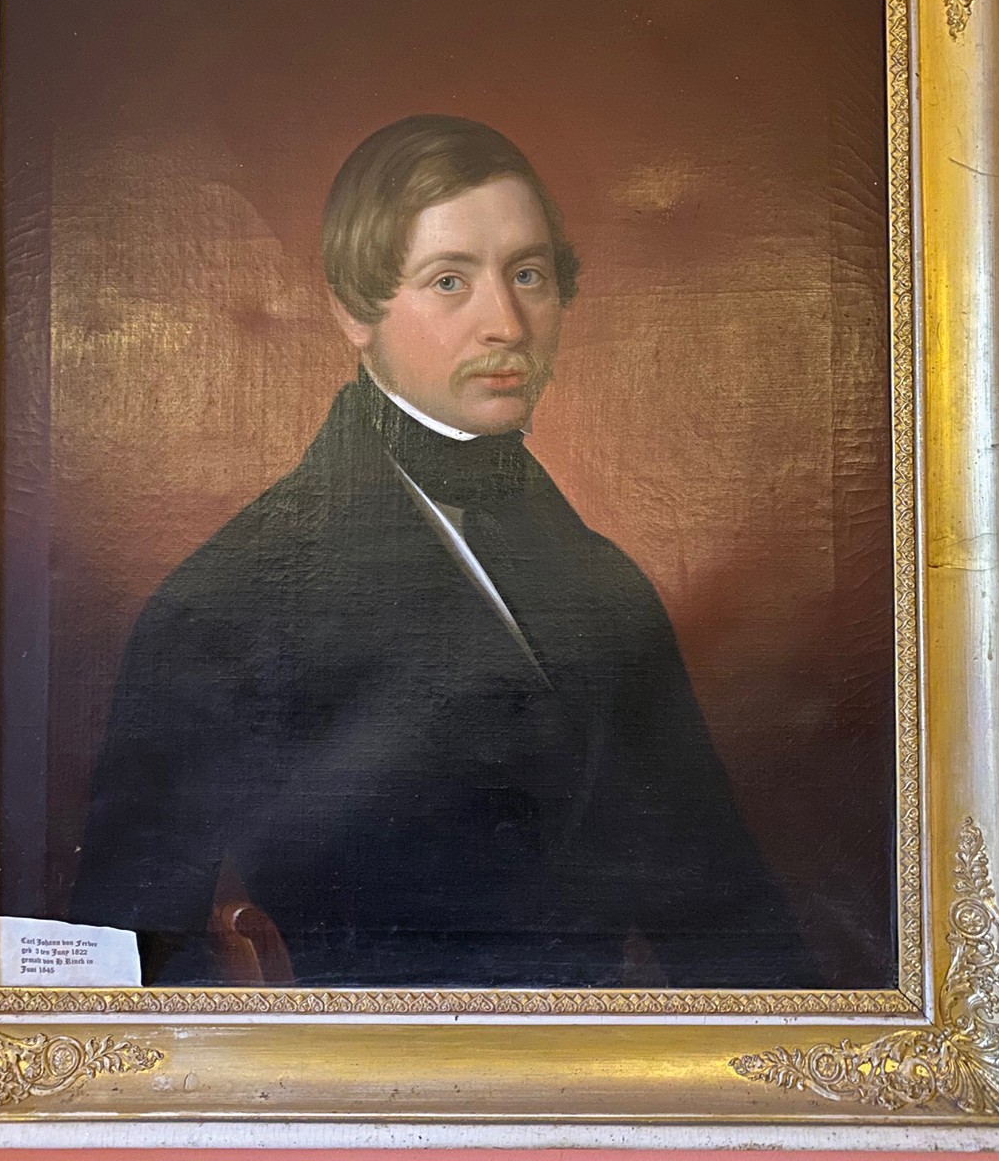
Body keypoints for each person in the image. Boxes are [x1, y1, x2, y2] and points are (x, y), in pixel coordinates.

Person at [71, 115, 818, 989]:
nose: (506, 322)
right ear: (353, 310)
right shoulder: (222, 607)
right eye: (450, 281)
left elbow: (725, 918)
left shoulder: (605, 585)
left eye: (528, 274)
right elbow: (124, 969)